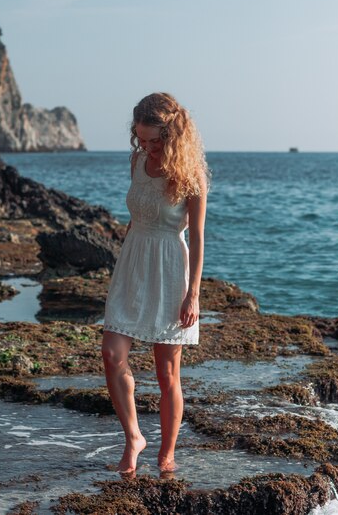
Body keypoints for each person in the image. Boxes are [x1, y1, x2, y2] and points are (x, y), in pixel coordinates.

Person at [101, 92, 208, 475]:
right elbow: (135, 217)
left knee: (167, 374)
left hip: (169, 269)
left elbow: (196, 237)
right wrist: (124, 264)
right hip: (133, 263)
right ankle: (134, 437)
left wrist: (193, 295)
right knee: (112, 356)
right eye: (141, 139)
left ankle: (167, 454)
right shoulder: (136, 161)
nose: (146, 147)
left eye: (154, 140)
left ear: (173, 134)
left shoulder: (190, 175)